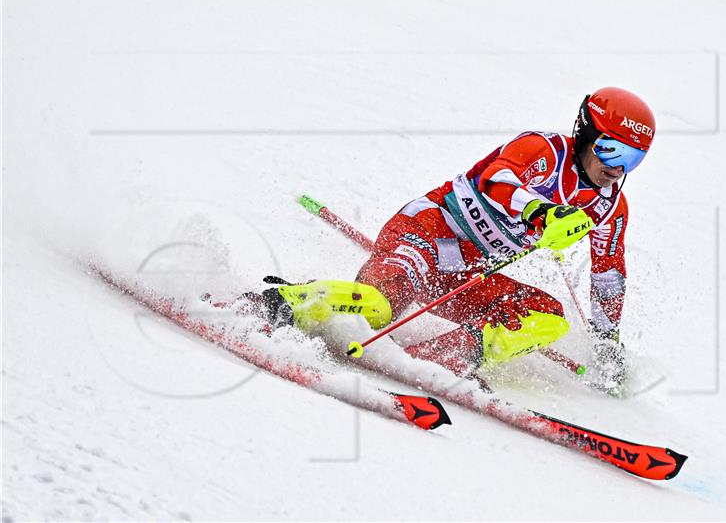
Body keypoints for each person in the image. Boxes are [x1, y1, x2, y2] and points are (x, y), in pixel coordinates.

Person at [255, 86, 655, 391]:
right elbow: (497, 179)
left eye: (633, 158)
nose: (618, 167)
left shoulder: (608, 207)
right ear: (586, 134)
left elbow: (608, 277)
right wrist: (542, 211)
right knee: (377, 309)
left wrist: (606, 344)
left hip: (466, 273)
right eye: (612, 149)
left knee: (546, 318)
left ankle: (441, 359)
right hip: (425, 235)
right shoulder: (543, 151)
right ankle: (284, 302)